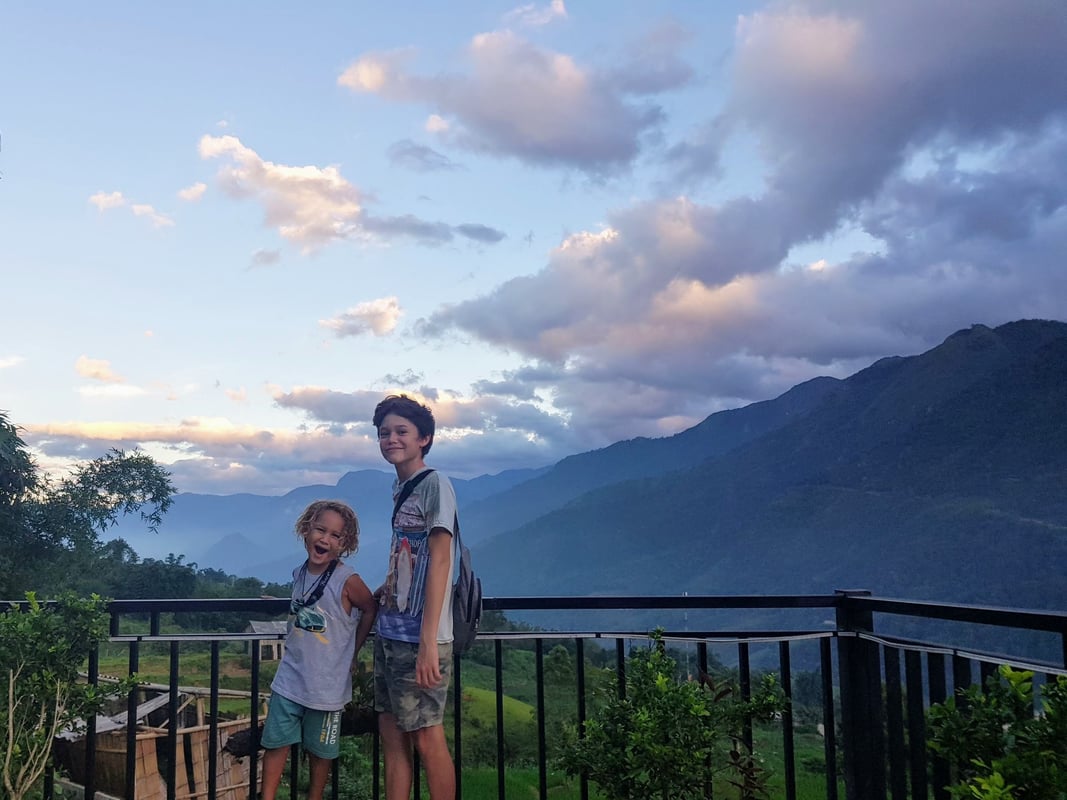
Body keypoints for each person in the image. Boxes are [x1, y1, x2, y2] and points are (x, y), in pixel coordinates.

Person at [260, 500, 378, 800]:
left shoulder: (346, 580)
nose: (325, 539)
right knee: (275, 743)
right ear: (306, 529)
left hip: (327, 687)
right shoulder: (299, 572)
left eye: (335, 536)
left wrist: (354, 650)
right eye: (320, 530)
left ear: (344, 544)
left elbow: (369, 608)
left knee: (320, 752)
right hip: (290, 678)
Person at [372, 394, 458, 800]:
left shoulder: (435, 484)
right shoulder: (401, 486)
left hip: (421, 638)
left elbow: (441, 561)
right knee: (393, 737)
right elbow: (411, 557)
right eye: (385, 432)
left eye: (401, 431)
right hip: (391, 631)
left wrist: (428, 644)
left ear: (424, 438)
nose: (391, 439)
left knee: (426, 738)